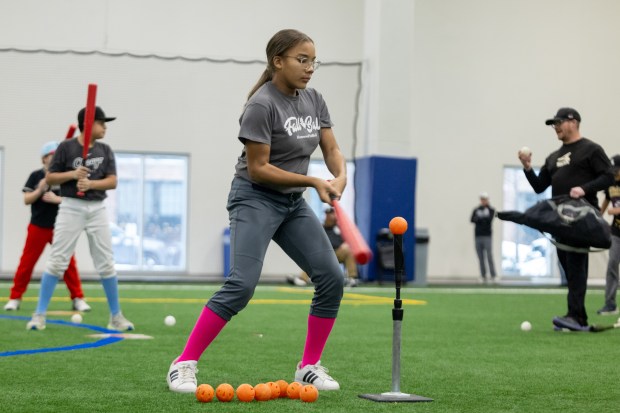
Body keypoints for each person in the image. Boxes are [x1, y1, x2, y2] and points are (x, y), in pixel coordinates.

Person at [167, 29, 347, 393]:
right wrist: (314, 182)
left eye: (314, 61)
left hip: (292, 201)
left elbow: (330, 147)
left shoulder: (314, 99)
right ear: (277, 61)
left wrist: (340, 176)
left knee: (331, 277)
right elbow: (258, 168)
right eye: (302, 59)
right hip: (255, 197)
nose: (310, 68)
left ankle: (309, 366)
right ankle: (183, 364)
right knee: (242, 284)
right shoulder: (261, 105)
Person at [26, 106, 134, 332]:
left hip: (97, 208)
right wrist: (74, 175)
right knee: (58, 260)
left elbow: (113, 181)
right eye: (101, 122)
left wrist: (91, 183)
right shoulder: (66, 148)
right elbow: (51, 177)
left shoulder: (105, 150)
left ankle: (116, 315)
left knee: (106, 261)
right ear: (88, 124)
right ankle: (39, 315)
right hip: (70, 207)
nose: (104, 127)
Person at [518, 107, 614, 331]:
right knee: (568, 268)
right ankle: (575, 315)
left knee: (576, 266)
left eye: (559, 122)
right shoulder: (554, 157)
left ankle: (576, 317)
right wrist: (527, 167)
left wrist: (585, 188)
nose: (556, 127)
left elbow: (609, 176)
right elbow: (539, 186)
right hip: (559, 220)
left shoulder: (591, 149)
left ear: (574, 122)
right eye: (554, 124)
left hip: (581, 219)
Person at [4, 141, 91, 312]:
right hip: (38, 226)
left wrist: (57, 199)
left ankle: (78, 298)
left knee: (68, 263)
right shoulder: (36, 176)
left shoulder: (67, 176)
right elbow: (27, 200)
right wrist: (40, 189)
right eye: (52, 155)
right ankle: (15, 298)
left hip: (61, 227)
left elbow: (76, 199)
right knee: (27, 263)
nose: (56, 158)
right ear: (44, 158)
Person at [287, 206, 359, 287]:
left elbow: (347, 241)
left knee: (349, 250)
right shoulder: (320, 227)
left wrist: (345, 243)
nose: (330, 217)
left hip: (337, 254)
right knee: (314, 255)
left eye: (332, 214)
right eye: (328, 215)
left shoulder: (340, 228)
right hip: (323, 254)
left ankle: (352, 278)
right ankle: (302, 279)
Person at [597, 154, 620, 315]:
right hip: (616, 232)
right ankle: (610, 304)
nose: (615, 173)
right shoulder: (610, 184)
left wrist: (617, 210)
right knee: (612, 264)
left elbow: (614, 209)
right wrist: (596, 217)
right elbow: (605, 202)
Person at [470, 192, 497, 283]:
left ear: (487, 199)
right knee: (480, 257)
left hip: (487, 236)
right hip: (478, 236)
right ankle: (483, 275)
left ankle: (493, 275)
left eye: (485, 199)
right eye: (482, 199)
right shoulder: (476, 209)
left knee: (489, 256)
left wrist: (480, 218)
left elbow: (488, 220)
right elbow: (472, 219)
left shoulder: (491, 210)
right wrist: (481, 218)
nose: (483, 201)